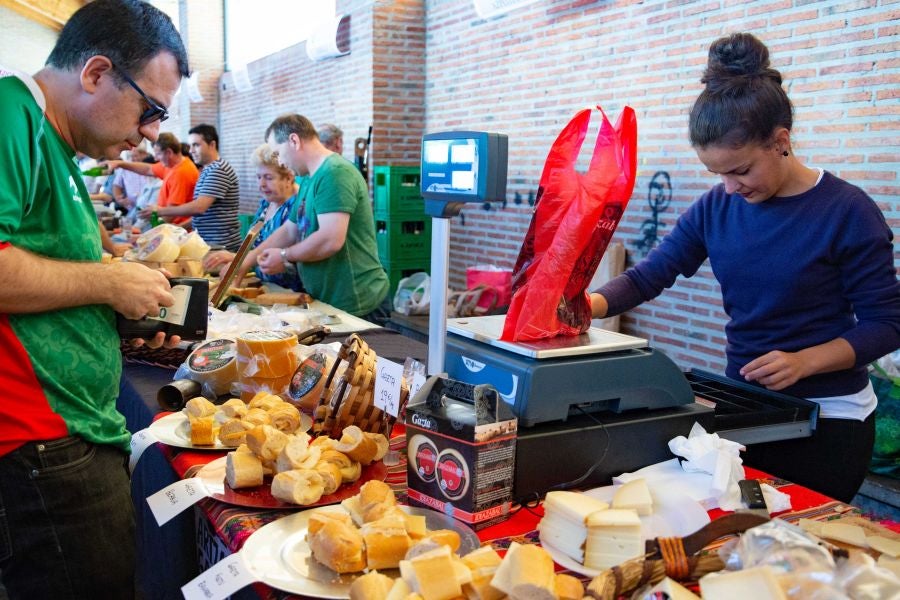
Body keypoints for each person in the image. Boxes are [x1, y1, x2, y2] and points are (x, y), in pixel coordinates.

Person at [590, 32, 900, 503]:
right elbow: (651, 274)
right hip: (748, 409)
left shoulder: (847, 211)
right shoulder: (717, 207)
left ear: (781, 142)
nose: (731, 188)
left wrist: (805, 361)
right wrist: (588, 304)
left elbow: (887, 323)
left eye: (741, 170)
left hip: (830, 418)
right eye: (718, 174)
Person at [0, 0, 189, 597]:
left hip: (70, 431)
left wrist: (118, 314)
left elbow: (45, 275)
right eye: (151, 108)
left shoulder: (56, 144)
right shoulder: (11, 117)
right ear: (95, 73)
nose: (153, 131)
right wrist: (109, 282)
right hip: (40, 441)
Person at [234, 114, 390, 323]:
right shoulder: (309, 178)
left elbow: (330, 240)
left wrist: (284, 255)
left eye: (278, 153)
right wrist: (247, 261)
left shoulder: (335, 173)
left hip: (357, 301)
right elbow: (291, 230)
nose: (280, 161)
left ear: (294, 141)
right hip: (329, 300)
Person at [204, 143, 304, 290]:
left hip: (290, 293)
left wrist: (245, 261)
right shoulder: (266, 203)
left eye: (268, 178)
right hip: (264, 287)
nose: (262, 184)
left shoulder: (297, 207)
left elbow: (298, 258)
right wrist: (236, 258)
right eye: (258, 177)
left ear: (289, 178)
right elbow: (258, 250)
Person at [136, 124, 242, 251]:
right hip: (207, 243)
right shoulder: (208, 170)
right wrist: (176, 231)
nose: (191, 150)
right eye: (191, 145)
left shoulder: (218, 170)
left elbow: (199, 207)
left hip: (220, 246)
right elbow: (202, 216)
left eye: (196, 145)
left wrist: (159, 211)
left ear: (212, 145)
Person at [107, 131, 198, 227]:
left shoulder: (181, 173)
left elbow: (172, 213)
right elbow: (148, 169)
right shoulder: (171, 165)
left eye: (158, 154)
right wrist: (119, 164)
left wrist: (152, 229)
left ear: (169, 152)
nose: (155, 158)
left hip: (177, 231)